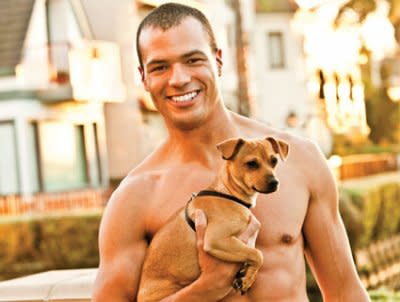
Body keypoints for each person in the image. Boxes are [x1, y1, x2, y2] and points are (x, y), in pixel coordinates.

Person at [92, 3, 370, 301]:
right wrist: (207, 287)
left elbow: (345, 293)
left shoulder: (301, 161)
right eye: (160, 67)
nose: (178, 79)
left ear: (219, 61)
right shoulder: (134, 198)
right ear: (143, 78)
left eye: (193, 60)